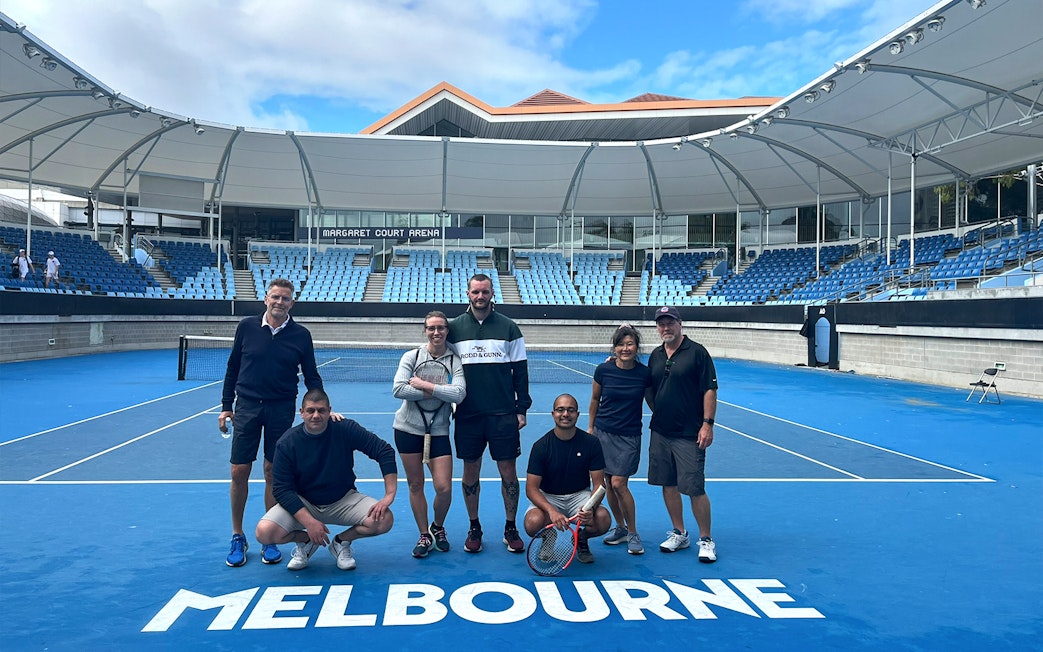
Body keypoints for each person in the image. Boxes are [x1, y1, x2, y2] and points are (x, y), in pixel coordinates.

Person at [219, 278, 322, 567]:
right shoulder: (247, 327)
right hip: (247, 408)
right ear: (266, 299)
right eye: (275, 297)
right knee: (239, 470)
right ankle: (237, 534)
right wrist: (227, 406)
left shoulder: (301, 335)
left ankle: (270, 535)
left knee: (272, 471)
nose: (279, 302)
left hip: (281, 408)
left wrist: (322, 407)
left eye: (285, 298)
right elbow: (232, 367)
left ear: (292, 303)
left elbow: (311, 375)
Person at [255, 388, 397, 571]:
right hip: (304, 503)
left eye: (321, 410)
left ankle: (341, 542)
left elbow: (383, 451)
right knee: (264, 532)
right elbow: (282, 490)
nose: (316, 415)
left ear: (329, 411)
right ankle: (306, 542)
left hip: (343, 500)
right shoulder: (287, 443)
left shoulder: (345, 429)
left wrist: (389, 495)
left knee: (384, 519)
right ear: (301, 413)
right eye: (311, 410)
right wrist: (309, 523)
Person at [447, 273, 532, 554]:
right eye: (475, 292)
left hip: (502, 415)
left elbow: (520, 372)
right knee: (470, 472)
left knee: (509, 472)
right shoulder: (454, 328)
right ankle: (475, 527)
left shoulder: (510, 328)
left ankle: (510, 527)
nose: (480, 296)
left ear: (492, 293)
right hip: (469, 415)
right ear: (468, 293)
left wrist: (521, 409)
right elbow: (439, 362)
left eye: (484, 292)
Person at [646, 306, 719, 562]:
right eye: (661, 324)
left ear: (680, 324)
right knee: (668, 484)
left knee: (694, 487)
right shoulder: (655, 355)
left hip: (690, 433)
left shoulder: (697, 353)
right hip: (660, 433)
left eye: (670, 323)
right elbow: (649, 388)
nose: (666, 328)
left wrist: (707, 423)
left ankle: (706, 539)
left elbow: (709, 390)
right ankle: (680, 533)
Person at [392, 310, 466, 558]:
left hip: (439, 431)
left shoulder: (454, 361)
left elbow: (459, 394)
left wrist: (424, 386)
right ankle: (424, 534)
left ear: (447, 330)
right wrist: (440, 390)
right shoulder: (411, 356)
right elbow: (399, 389)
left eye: (441, 328)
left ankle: (438, 527)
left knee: (444, 488)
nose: (436, 332)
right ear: (425, 330)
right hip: (407, 429)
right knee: (416, 484)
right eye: (431, 328)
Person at [524, 394, 611, 564]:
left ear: (577, 415)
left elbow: (599, 484)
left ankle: (581, 538)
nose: (565, 414)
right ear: (553, 414)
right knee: (532, 523)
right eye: (560, 410)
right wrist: (551, 511)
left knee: (603, 519)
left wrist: (590, 509)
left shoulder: (591, 443)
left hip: (579, 496)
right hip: (549, 496)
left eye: (570, 410)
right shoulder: (541, 446)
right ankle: (548, 536)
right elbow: (531, 489)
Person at [588, 323, 652, 555]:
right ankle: (621, 528)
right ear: (614, 348)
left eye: (630, 344)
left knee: (619, 484)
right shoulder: (603, 370)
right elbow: (595, 400)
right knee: (607, 485)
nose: (625, 348)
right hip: (603, 433)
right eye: (621, 344)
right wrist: (590, 428)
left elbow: (654, 402)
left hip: (629, 436)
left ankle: (633, 532)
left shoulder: (644, 374)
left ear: (636, 347)